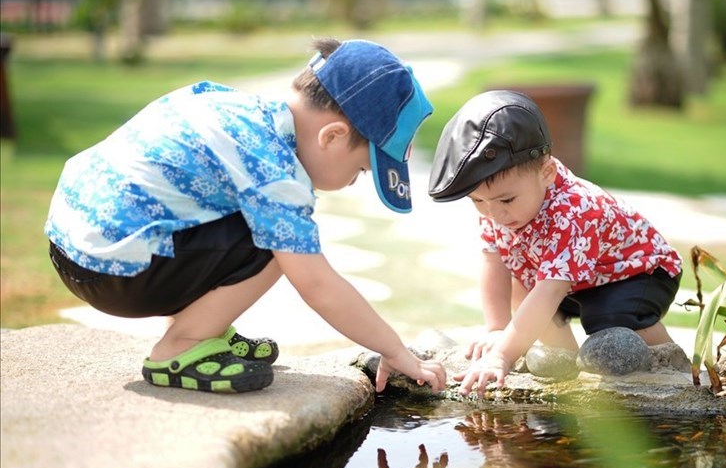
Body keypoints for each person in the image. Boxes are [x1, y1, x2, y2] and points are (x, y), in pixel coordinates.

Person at [45, 38, 447, 395]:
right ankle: (181, 346)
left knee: (262, 223)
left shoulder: (236, 108)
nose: (352, 182)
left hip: (74, 245)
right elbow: (317, 285)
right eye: (361, 171)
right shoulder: (273, 169)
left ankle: (204, 329)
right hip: (114, 272)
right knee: (281, 244)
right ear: (333, 136)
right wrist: (394, 350)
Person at [428, 90, 682, 396]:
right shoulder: (499, 207)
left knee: (607, 319)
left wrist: (501, 355)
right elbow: (493, 262)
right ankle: (566, 367)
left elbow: (551, 291)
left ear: (547, 172)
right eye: (478, 201)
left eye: (506, 199)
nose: (494, 213)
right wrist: (497, 329)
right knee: (524, 289)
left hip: (637, 273)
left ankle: (670, 364)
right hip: (575, 279)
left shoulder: (574, 210)